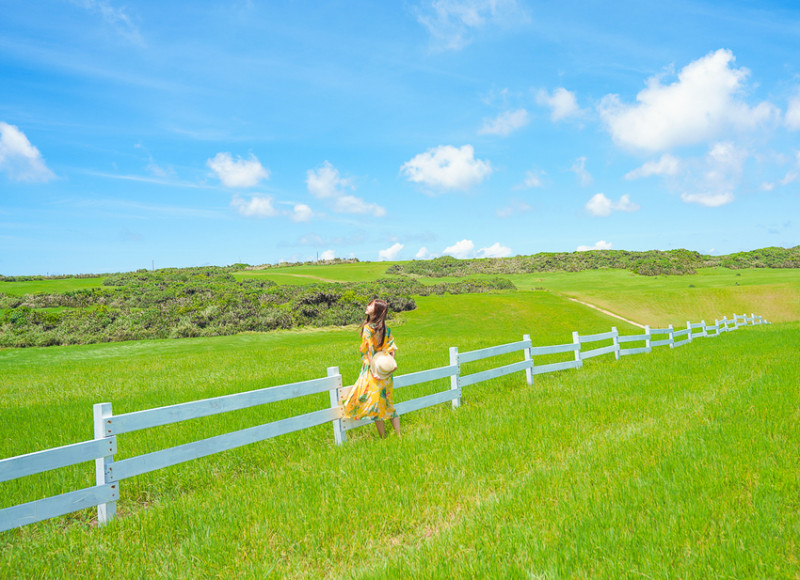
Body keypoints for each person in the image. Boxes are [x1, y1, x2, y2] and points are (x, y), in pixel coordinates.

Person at [342, 298, 401, 438]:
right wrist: (390, 364)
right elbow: (392, 349)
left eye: (371, 306)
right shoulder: (386, 329)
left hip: (373, 371)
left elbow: (368, 352)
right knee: (387, 404)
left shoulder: (368, 329)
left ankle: (383, 437)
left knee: (372, 404)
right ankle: (398, 436)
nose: (367, 307)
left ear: (377, 311)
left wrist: (374, 371)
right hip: (385, 371)